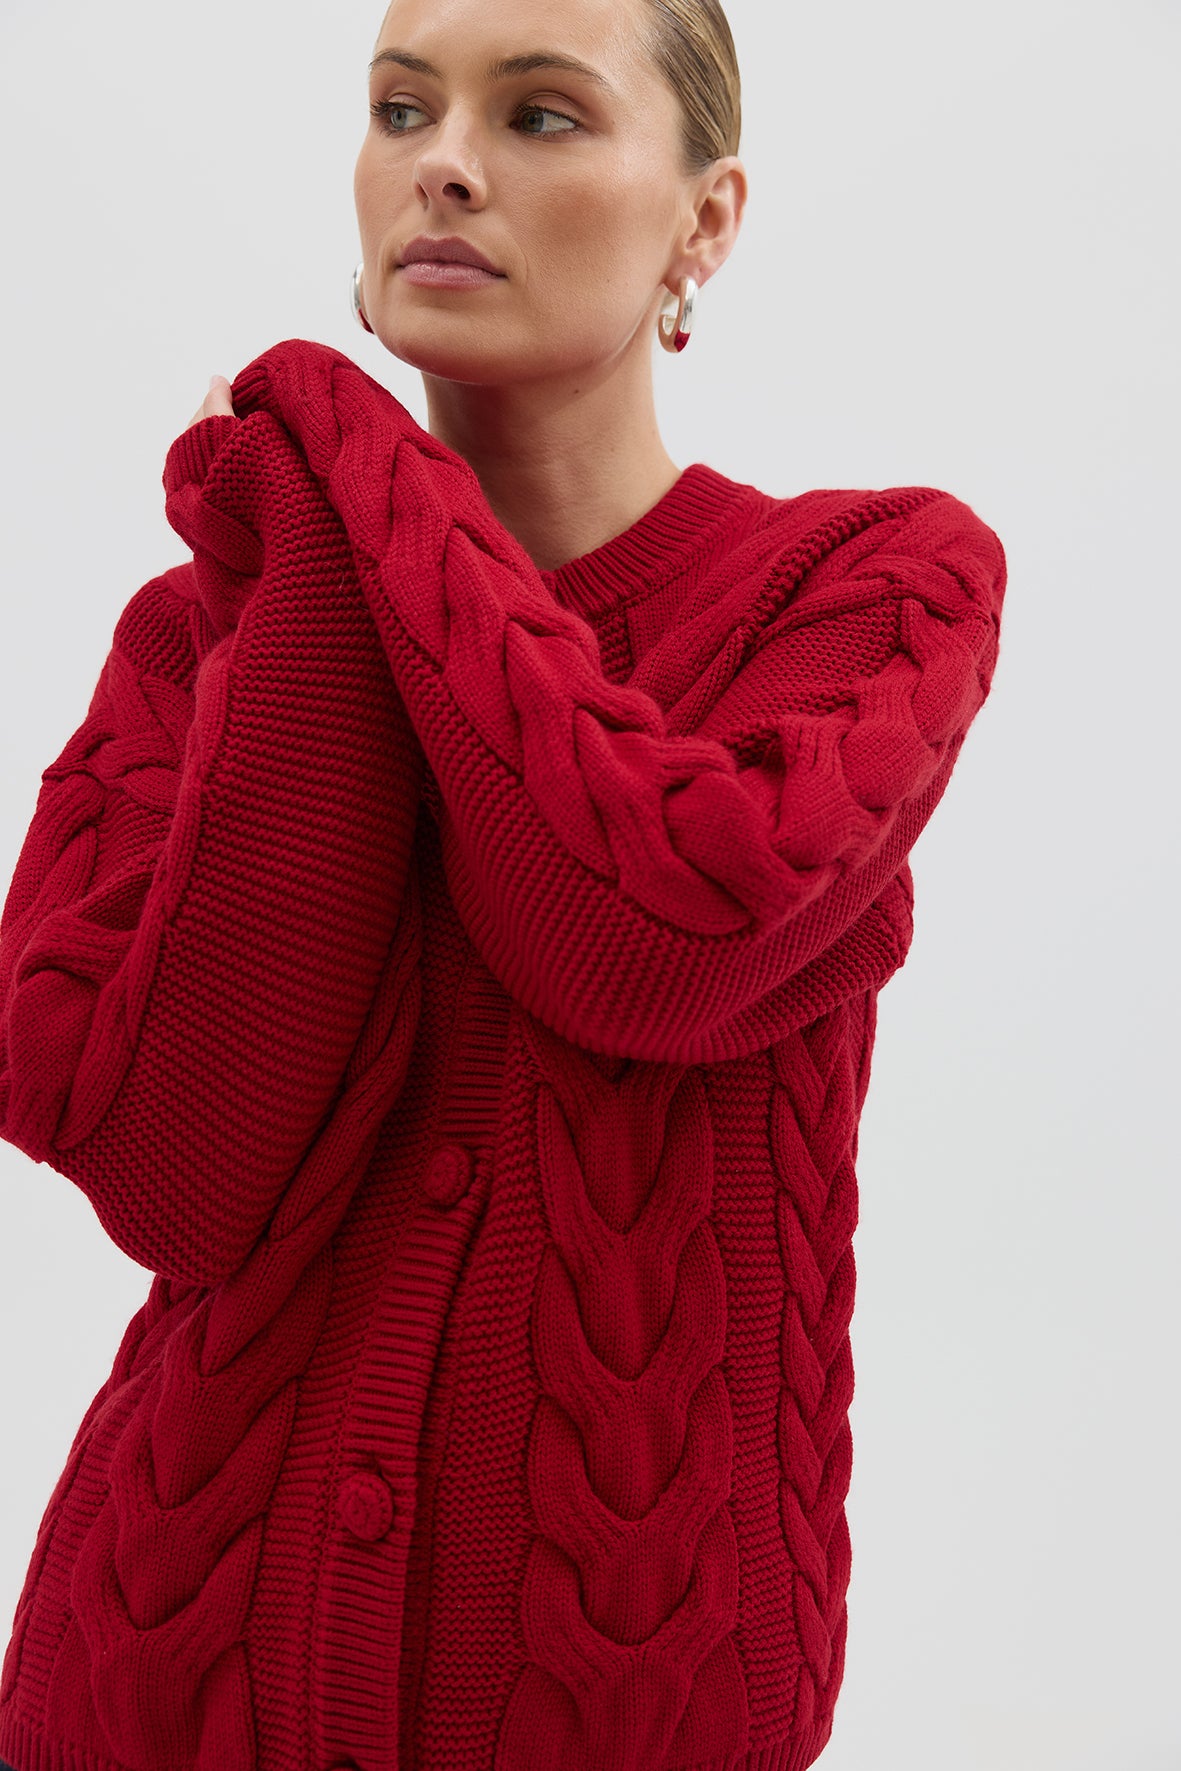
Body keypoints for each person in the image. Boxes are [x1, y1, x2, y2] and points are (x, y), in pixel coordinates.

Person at [0, 0, 1008, 1767]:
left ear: (703, 219)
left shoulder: (867, 587)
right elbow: (171, 1170)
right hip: (162, 1676)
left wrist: (345, 448)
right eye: (402, 109)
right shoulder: (207, 630)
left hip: (634, 1702)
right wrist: (314, 583)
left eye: (542, 114)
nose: (443, 165)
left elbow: (642, 934)